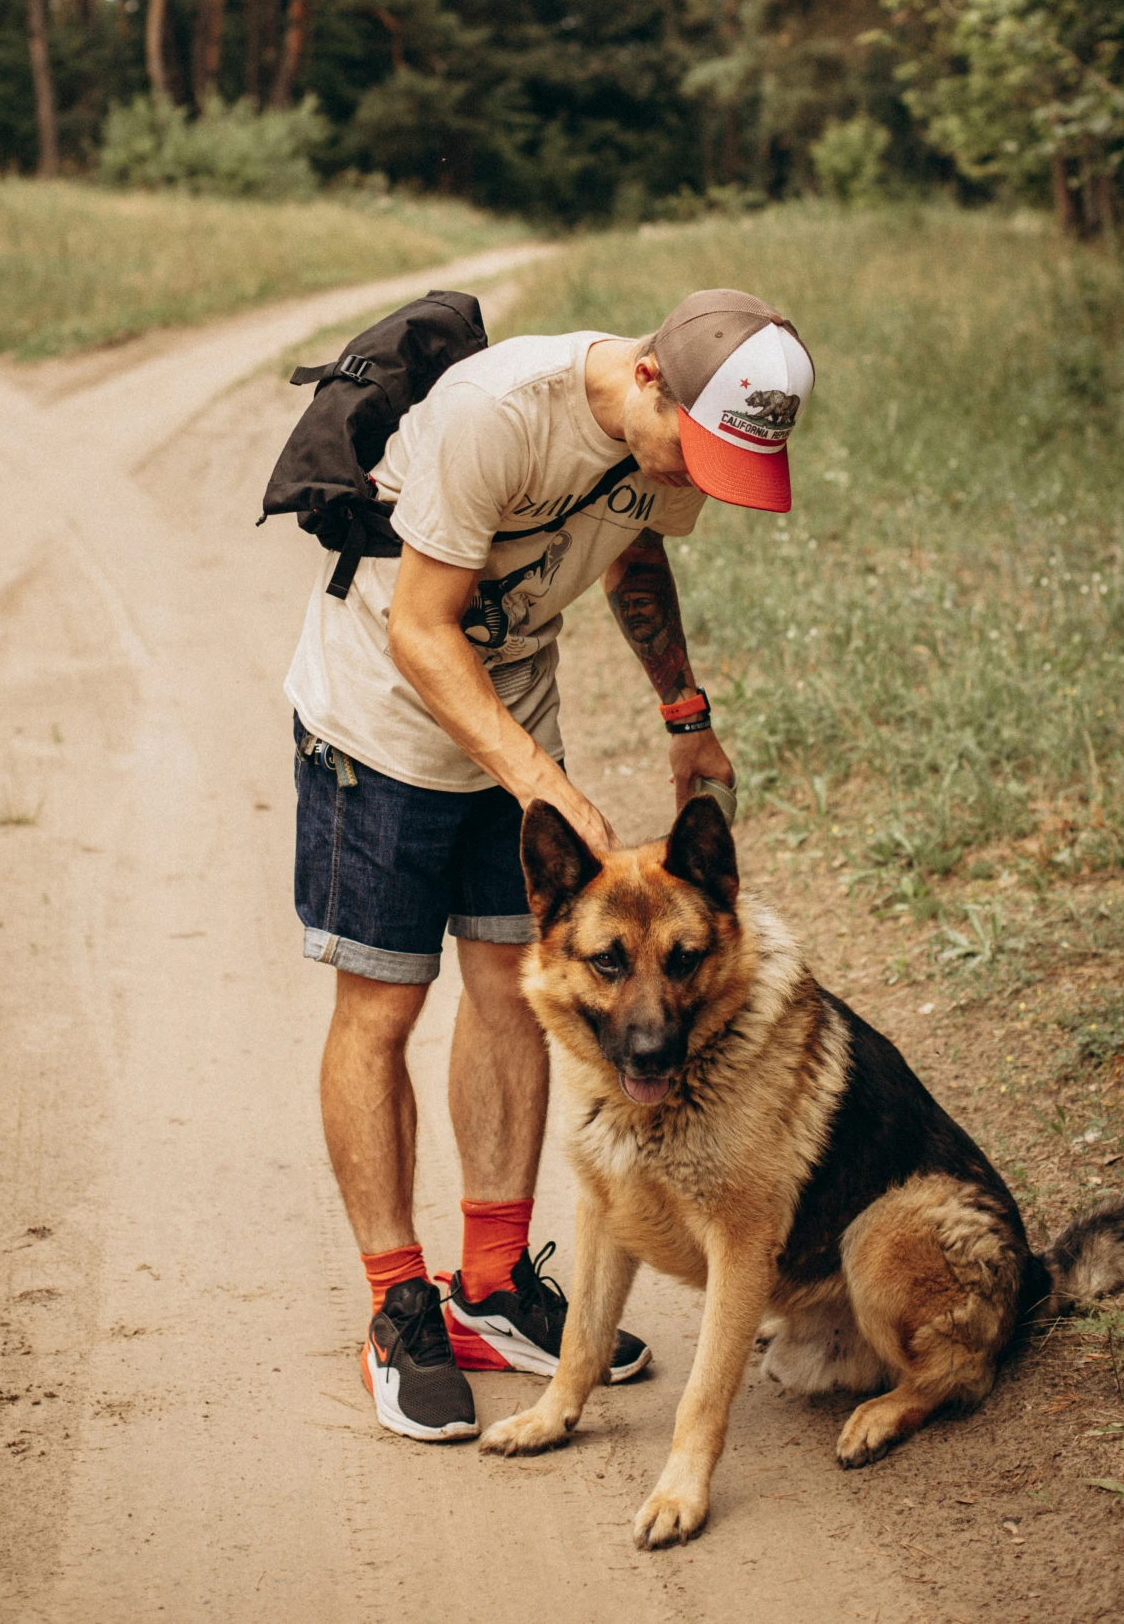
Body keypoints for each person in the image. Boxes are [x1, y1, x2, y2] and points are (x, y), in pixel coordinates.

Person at [285, 288, 815, 1440]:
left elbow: (631, 554)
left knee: (510, 996)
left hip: (511, 728)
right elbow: (419, 629)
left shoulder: (665, 439)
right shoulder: (498, 415)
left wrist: (684, 711)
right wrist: (541, 782)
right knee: (379, 1006)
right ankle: (395, 1305)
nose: (704, 479)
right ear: (648, 382)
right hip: (377, 726)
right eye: (702, 450)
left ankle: (487, 1284)